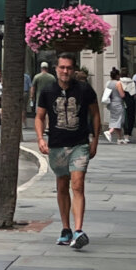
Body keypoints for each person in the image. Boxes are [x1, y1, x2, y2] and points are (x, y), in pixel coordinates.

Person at [35, 51, 101, 251]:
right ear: (56, 69)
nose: (65, 71)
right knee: (62, 185)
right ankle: (66, 229)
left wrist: (95, 140)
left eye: (69, 68)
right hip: (56, 145)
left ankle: (79, 230)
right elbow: (39, 117)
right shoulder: (47, 91)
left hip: (79, 144)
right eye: (62, 67)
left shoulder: (84, 90)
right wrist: (40, 138)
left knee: (78, 184)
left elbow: (96, 114)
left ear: (74, 70)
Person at [103, 67, 125, 144]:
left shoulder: (108, 83)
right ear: (117, 75)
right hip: (118, 103)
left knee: (114, 119)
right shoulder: (118, 83)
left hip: (111, 103)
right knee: (119, 120)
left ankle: (120, 138)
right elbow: (122, 95)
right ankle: (109, 132)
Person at [119, 65, 136, 143]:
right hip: (130, 99)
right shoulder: (132, 82)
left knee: (122, 117)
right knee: (130, 117)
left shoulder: (119, 82)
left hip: (121, 99)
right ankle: (128, 133)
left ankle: (123, 132)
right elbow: (134, 93)